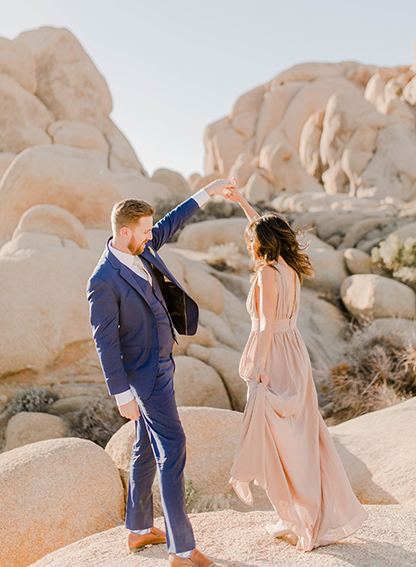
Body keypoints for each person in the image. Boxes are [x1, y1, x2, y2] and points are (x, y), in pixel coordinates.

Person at [87, 179, 234, 567]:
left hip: (163, 365)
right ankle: (181, 550)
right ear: (125, 232)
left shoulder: (143, 244)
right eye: (145, 229)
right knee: (173, 448)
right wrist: (122, 395)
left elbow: (173, 220)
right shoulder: (102, 281)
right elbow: (106, 343)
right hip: (145, 378)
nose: (153, 234)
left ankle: (137, 529)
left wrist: (210, 190)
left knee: (145, 448)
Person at [224, 185, 367, 552]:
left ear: (262, 243)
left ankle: (300, 517)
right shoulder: (289, 267)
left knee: (278, 438)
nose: (248, 243)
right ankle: (297, 516)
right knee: (298, 435)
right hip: (294, 352)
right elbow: (262, 224)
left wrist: (257, 366)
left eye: (251, 239)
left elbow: (267, 323)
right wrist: (242, 201)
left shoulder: (268, 274)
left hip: (274, 353)